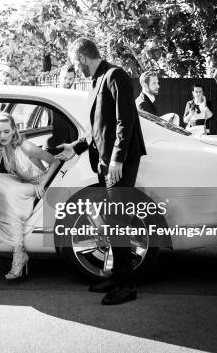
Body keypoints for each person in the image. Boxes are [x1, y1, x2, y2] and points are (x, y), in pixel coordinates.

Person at [55, 37, 146, 305]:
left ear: (82, 57)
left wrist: (117, 159)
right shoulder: (98, 80)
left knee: (118, 223)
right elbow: (97, 128)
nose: (75, 67)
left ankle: (127, 286)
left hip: (120, 162)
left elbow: (124, 122)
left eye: (74, 62)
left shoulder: (115, 75)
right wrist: (76, 147)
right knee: (112, 222)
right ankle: (117, 278)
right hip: (105, 161)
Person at [0, 112, 60, 280]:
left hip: (37, 186)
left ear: (14, 129)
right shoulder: (2, 144)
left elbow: (54, 162)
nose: (2, 136)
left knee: (10, 193)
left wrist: (42, 184)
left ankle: (19, 253)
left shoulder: (26, 146)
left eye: (6, 131)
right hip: (21, 182)